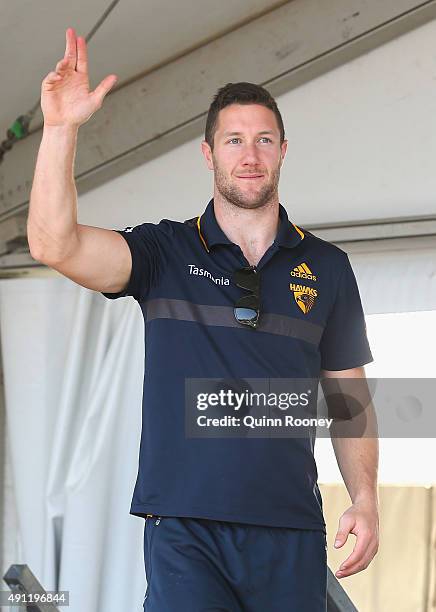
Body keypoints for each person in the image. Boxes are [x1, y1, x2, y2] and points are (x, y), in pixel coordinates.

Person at [27, 27, 379, 612]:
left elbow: (350, 397)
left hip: (290, 527)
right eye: (234, 139)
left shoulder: (328, 267)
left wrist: (365, 498)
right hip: (185, 530)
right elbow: (53, 243)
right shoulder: (164, 253)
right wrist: (61, 129)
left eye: (264, 140)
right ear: (208, 153)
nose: (249, 154)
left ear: (283, 151)